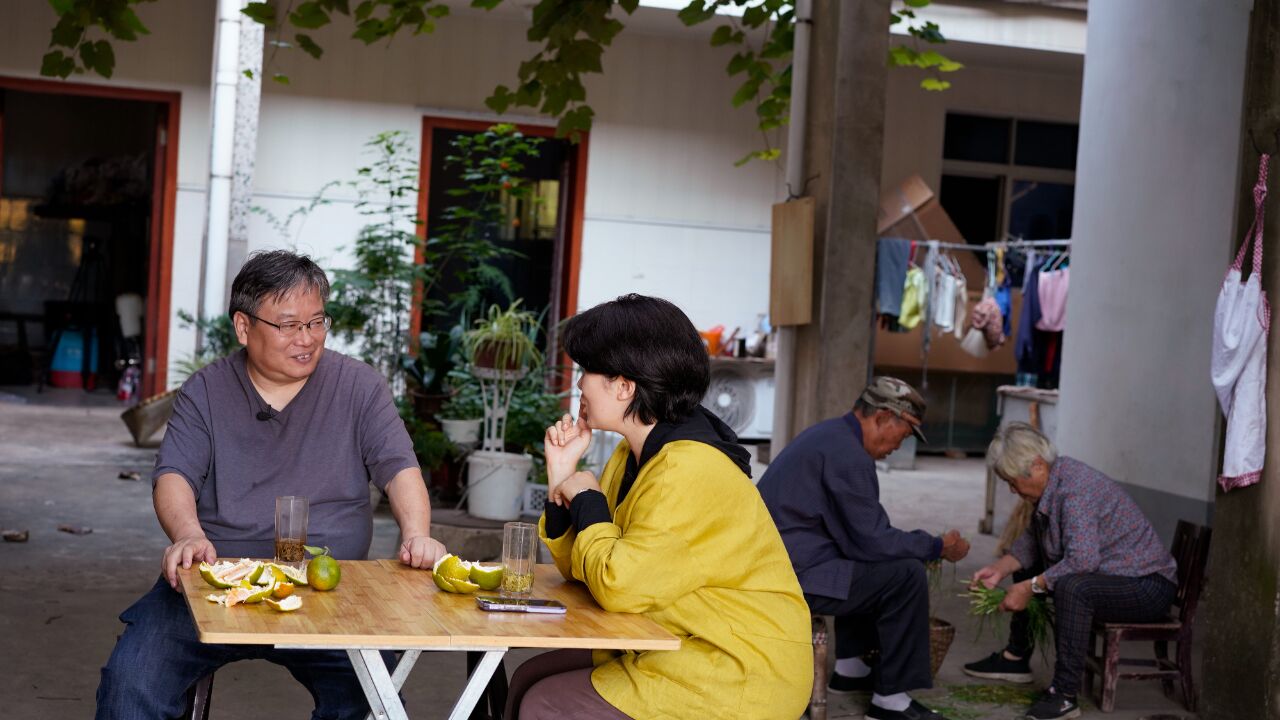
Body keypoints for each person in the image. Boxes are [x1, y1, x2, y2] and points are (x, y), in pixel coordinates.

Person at [95, 250, 447, 720]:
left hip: (329, 588)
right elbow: (174, 475)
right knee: (132, 678)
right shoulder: (206, 390)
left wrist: (417, 533)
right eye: (288, 325)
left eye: (317, 321)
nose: (307, 339)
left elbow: (399, 467)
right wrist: (188, 535)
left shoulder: (358, 386)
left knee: (372, 701)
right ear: (244, 327)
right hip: (216, 579)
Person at [504, 294, 812, 720]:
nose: (579, 386)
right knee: (526, 680)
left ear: (624, 385)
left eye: (586, 372)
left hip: (735, 667)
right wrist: (561, 477)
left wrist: (589, 501)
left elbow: (617, 585)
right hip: (672, 643)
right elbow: (582, 570)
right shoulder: (631, 455)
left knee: (545, 703)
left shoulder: (690, 468)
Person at [757, 376, 971, 720]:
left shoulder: (830, 435)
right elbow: (874, 540)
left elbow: (863, 532)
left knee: (860, 560)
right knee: (904, 575)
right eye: (903, 434)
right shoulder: (848, 455)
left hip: (780, 562)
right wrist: (935, 546)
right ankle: (891, 703)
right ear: (885, 417)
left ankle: (850, 670)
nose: (899, 445)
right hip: (788, 575)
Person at [963, 422, 1177, 720]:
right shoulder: (1054, 482)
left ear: (1037, 466)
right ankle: (1015, 657)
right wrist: (999, 569)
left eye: (1013, 482)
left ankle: (1064, 696)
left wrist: (1028, 588)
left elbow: (1082, 561)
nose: (1013, 490)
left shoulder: (1075, 492)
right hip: (1118, 579)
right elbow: (1033, 542)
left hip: (1147, 587)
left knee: (1073, 587)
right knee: (1035, 567)